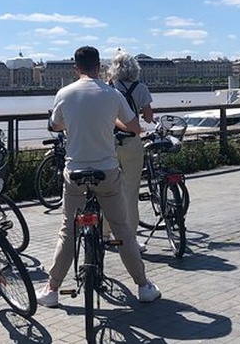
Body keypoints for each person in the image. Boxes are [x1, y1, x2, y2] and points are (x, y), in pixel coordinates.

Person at [36, 46, 161, 307]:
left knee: (68, 230)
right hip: (106, 171)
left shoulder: (64, 93)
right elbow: (135, 128)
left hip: (75, 171)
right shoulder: (111, 94)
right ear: (100, 67)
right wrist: (111, 120)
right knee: (122, 228)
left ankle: (51, 289)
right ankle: (144, 286)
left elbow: (56, 125)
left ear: (75, 68)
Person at [102, 51, 155, 250]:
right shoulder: (140, 88)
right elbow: (148, 117)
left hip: (109, 142)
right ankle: (129, 239)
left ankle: (104, 234)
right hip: (132, 141)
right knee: (131, 191)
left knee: (108, 190)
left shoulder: (108, 88)